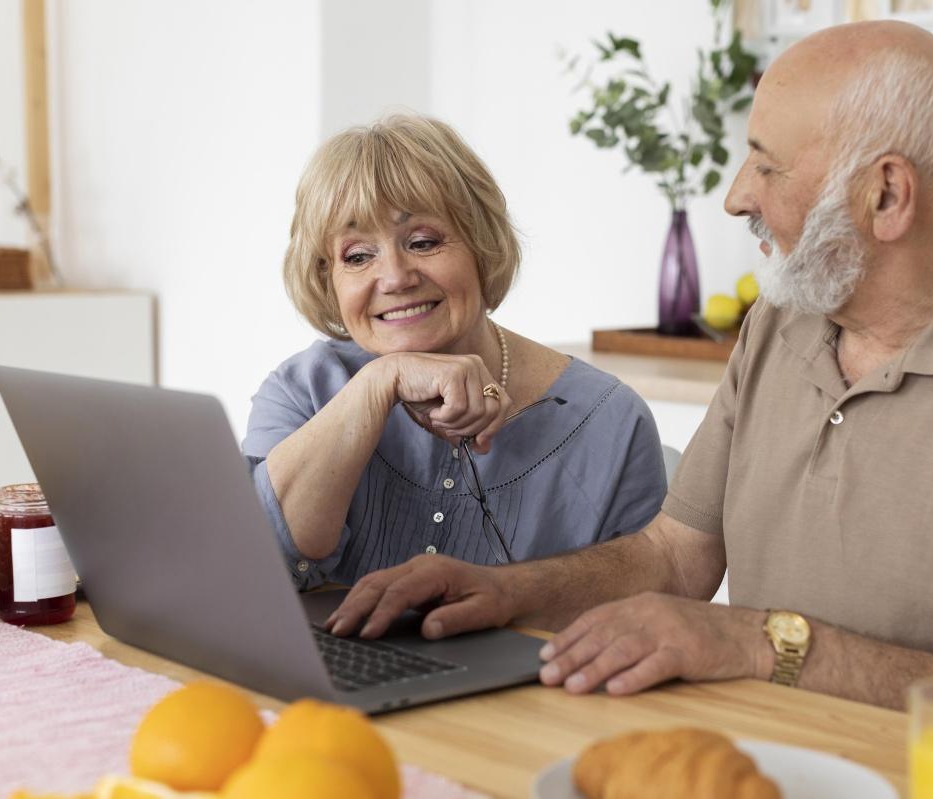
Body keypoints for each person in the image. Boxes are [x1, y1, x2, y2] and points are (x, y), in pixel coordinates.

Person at [323, 22, 933, 758]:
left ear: (887, 194)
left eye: (766, 165)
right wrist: (505, 590)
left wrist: (760, 641)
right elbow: (675, 556)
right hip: (776, 767)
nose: (735, 196)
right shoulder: (783, 322)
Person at [243, 115, 667, 591]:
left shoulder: (609, 422)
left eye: (423, 242)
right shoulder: (302, 391)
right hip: (317, 668)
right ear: (327, 278)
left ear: (482, 245)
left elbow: (644, 618)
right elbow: (247, 569)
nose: (396, 277)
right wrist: (382, 381)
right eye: (358, 256)